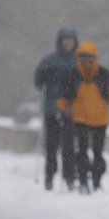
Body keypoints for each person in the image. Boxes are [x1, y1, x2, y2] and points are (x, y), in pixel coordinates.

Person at [57, 40, 109, 194]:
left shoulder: (106, 75)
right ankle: (84, 182)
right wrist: (63, 109)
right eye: (83, 59)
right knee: (82, 153)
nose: (87, 62)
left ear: (95, 59)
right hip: (81, 119)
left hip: (100, 120)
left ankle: (97, 182)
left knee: (98, 153)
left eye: (90, 59)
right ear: (78, 59)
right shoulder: (72, 76)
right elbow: (63, 97)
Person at [34, 28, 79, 190]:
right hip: (51, 109)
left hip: (70, 110)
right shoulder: (50, 60)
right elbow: (38, 81)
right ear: (60, 41)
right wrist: (42, 76)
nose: (68, 43)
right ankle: (49, 177)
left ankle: (69, 177)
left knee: (69, 146)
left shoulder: (77, 61)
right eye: (65, 40)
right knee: (51, 146)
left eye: (70, 40)